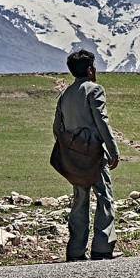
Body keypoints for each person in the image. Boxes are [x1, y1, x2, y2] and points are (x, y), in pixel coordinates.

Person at [53, 50, 120, 261]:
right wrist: (113, 149)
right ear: (90, 68)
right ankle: (102, 247)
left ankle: (75, 251)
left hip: (74, 158)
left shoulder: (65, 95)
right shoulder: (95, 90)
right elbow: (102, 121)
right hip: (93, 155)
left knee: (80, 200)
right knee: (104, 198)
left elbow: (57, 128)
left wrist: (70, 150)